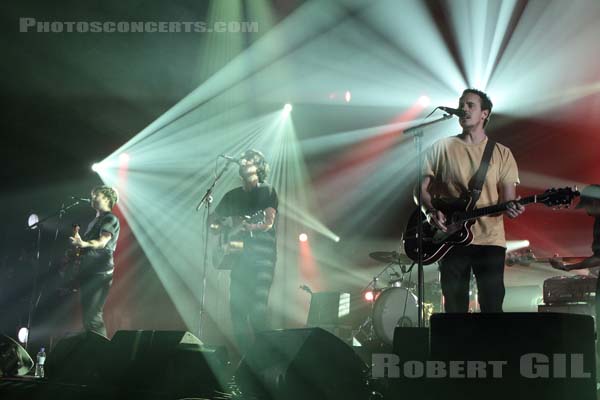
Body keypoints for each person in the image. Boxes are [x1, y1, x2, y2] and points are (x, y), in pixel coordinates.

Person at [420, 88, 525, 313]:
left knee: (492, 305)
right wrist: (430, 211)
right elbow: (420, 191)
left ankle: (491, 348)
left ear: (484, 114)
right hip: (450, 239)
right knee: (454, 307)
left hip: (490, 241)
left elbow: (507, 202)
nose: (464, 109)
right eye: (461, 104)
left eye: (470, 105)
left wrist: (512, 208)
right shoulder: (441, 147)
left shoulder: (501, 153)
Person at [212, 149, 278, 354]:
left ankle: (268, 359)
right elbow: (212, 223)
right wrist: (224, 227)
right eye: (244, 158)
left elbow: (268, 222)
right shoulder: (231, 196)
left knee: (257, 312)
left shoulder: (266, 191)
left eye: (250, 159)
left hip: (262, 259)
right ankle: (249, 361)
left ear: (258, 167)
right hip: (238, 258)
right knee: (237, 313)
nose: (244, 161)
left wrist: (251, 227)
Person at [69, 185, 120, 337]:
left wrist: (83, 244)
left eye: (95, 195)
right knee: (88, 319)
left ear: (106, 198)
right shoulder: (95, 221)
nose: (92, 197)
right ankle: (94, 350)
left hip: (100, 272)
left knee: (93, 319)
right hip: (91, 271)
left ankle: (103, 354)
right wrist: (75, 252)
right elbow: (88, 249)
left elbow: (102, 242)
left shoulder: (110, 218)